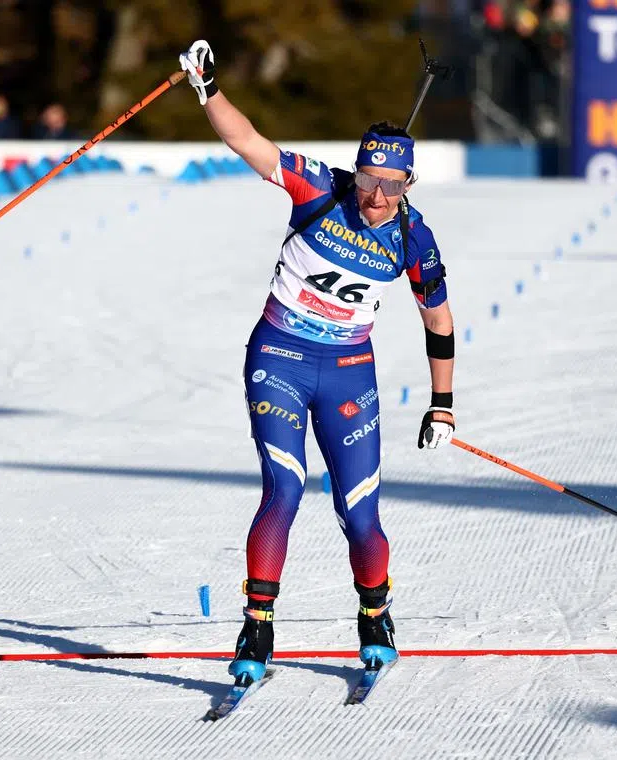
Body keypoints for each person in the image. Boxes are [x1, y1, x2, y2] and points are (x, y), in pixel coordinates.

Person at [179, 40, 457, 684]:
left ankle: (374, 613)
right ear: (354, 171)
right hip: (278, 355)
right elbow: (249, 143)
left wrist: (442, 404)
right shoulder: (319, 189)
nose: (377, 197)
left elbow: (438, 321)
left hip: (349, 373)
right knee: (285, 486)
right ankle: (258, 624)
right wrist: (208, 88)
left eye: (391, 185)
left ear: (408, 184)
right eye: (368, 180)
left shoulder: (415, 239)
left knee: (360, 512)